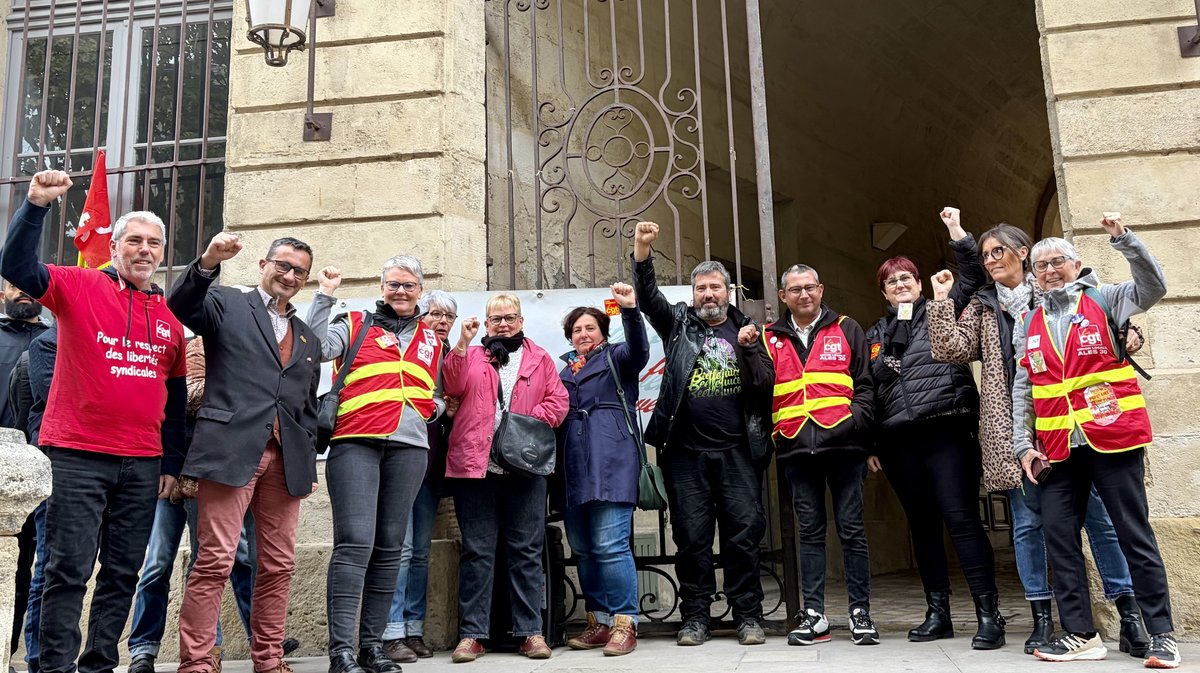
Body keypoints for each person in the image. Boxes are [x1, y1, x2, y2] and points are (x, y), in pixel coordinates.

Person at [927, 222, 1149, 656]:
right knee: (1028, 525)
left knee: (1099, 522)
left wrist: (1129, 338)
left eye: (998, 252)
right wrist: (939, 302)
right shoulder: (982, 304)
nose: (992, 261)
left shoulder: (1054, 282)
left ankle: (1129, 614)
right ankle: (1043, 619)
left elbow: (1113, 322)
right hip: (1013, 425)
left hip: (1070, 421)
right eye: (986, 255)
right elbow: (950, 349)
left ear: (1023, 253)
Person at [0, 170, 188, 673]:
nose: (145, 250)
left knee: (123, 572)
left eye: (154, 242)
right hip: (76, 455)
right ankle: (55, 667)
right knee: (66, 570)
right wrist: (36, 204)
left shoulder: (168, 319)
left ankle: (100, 664)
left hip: (143, 463)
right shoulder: (77, 285)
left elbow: (172, 397)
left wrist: (170, 462)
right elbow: (15, 264)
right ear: (115, 246)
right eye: (134, 240)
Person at [1011, 214, 1179, 667]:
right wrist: (1022, 446)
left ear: (1076, 263)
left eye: (1057, 262)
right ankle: (1082, 634)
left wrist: (1125, 241)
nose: (1049, 270)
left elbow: (1154, 286)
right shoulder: (1026, 321)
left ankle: (1161, 633)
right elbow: (1023, 390)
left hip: (1113, 439)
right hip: (1058, 449)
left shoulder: (1107, 299)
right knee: (1059, 538)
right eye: (1041, 265)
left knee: (1133, 535)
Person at [169, 233, 323, 673]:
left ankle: (269, 660)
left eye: (299, 271)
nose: (289, 275)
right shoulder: (227, 303)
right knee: (215, 559)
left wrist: (306, 463)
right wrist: (209, 261)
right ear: (263, 264)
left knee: (278, 565)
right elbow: (181, 304)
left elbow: (306, 407)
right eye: (283, 265)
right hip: (229, 451)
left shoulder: (307, 337)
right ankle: (197, 660)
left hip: (285, 462)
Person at [866, 207, 1005, 649]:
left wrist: (957, 232)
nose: (901, 284)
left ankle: (989, 615)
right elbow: (867, 388)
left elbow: (972, 273)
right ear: (884, 292)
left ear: (919, 281)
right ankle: (937, 613)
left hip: (945, 429)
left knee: (961, 519)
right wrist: (870, 443)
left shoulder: (945, 307)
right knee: (922, 526)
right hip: (898, 441)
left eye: (907, 277)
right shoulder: (876, 333)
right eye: (892, 281)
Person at [631, 221, 773, 647]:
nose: (708, 295)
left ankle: (748, 615)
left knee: (743, 534)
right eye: (701, 289)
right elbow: (649, 298)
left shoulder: (749, 330)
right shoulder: (678, 325)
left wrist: (749, 348)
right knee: (691, 537)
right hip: (685, 454)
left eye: (715, 287)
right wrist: (642, 250)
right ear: (693, 295)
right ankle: (696, 617)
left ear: (728, 292)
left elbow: (765, 386)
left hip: (738, 452)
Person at [127, 336, 297, 673]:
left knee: (232, 557)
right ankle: (145, 649)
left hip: (216, 473)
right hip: (173, 468)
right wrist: (242, 387)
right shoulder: (197, 346)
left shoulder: (245, 350)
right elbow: (190, 397)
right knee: (159, 562)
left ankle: (247, 643)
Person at [307, 257, 445, 673]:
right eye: (392, 284)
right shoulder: (353, 322)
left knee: (389, 550)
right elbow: (314, 349)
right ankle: (341, 653)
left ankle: (371, 647)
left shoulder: (431, 339)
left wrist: (430, 409)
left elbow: (433, 389)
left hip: (409, 448)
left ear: (420, 290)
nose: (400, 292)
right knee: (354, 545)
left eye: (408, 285)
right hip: (355, 442)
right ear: (381, 287)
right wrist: (323, 297)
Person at [442, 293, 569, 663]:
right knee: (477, 552)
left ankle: (531, 632)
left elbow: (558, 403)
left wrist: (525, 428)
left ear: (522, 320)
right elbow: (451, 385)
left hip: (525, 467)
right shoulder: (473, 355)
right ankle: (472, 635)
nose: (502, 324)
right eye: (495, 318)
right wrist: (463, 343)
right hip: (476, 465)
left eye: (509, 317)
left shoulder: (539, 357)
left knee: (526, 551)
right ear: (485, 322)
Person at [763, 264, 877, 646]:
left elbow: (865, 384)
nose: (804, 295)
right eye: (795, 290)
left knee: (852, 531)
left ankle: (860, 612)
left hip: (844, 447)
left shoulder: (847, 328)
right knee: (809, 534)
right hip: (797, 448)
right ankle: (814, 615)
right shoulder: (770, 338)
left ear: (821, 289)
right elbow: (761, 390)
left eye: (810, 287)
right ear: (783, 296)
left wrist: (854, 421)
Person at [558, 282, 649, 657]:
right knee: (583, 548)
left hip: (612, 461)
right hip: (572, 466)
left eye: (590, 327)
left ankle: (625, 622)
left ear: (603, 332)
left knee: (611, 545)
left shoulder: (619, 357)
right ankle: (598, 621)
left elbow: (641, 348)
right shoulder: (562, 369)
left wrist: (629, 309)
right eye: (576, 329)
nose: (583, 334)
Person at [382, 290, 459, 662]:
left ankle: (413, 629)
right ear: (419, 315)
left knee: (419, 554)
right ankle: (390, 631)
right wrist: (440, 404)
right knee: (400, 549)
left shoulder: (450, 356)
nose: (442, 321)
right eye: (435, 314)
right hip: (399, 459)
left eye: (449, 316)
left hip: (432, 467)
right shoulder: (405, 348)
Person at [0, 281, 49, 661]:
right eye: (14, 286)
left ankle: (7, 655)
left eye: (27, 286)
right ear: (2, 294)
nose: (22, 293)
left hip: (32, 471)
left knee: (21, 570)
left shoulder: (55, 340)